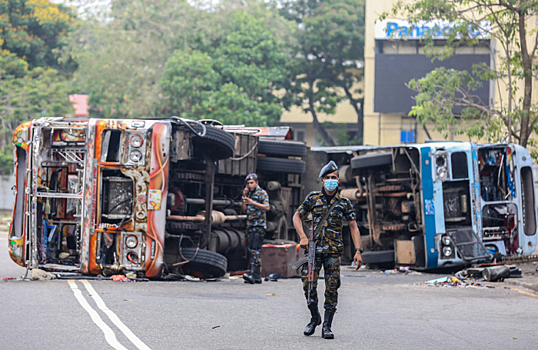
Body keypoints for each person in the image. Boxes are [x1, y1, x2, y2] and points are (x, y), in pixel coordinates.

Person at [292, 160, 363, 339]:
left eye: (334, 177)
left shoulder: (344, 203)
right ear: (322, 180)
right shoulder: (313, 198)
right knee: (309, 285)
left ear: (338, 181)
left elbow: (354, 226)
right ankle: (314, 317)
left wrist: (358, 250)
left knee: (332, 288)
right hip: (314, 251)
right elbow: (296, 216)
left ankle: (327, 326)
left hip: (333, 252)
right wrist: (302, 236)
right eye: (327, 178)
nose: (331, 180)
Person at [242, 173, 270, 284]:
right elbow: (244, 210)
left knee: (255, 250)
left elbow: (267, 207)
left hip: (258, 225)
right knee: (251, 250)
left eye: (251, 183)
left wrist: (253, 202)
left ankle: (254, 274)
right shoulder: (249, 194)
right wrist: (244, 198)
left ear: (257, 183)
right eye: (248, 183)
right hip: (250, 225)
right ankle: (256, 276)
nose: (250, 185)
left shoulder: (262, 193)